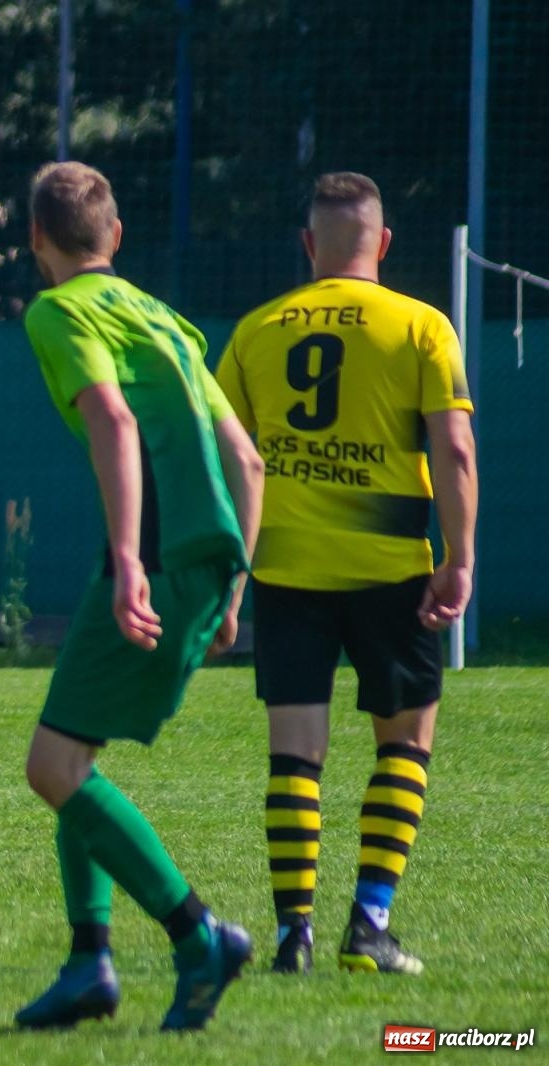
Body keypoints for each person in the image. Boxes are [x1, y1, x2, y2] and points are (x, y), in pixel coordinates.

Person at [14, 162, 265, 1033]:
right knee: (73, 753)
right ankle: (90, 962)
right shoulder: (163, 316)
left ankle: (198, 937)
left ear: (36, 239)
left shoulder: (57, 310)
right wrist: (234, 583)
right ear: (115, 237)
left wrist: (129, 562)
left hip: (153, 555)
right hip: (206, 554)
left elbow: (115, 423)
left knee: (53, 769)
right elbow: (248, 461)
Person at [215, 172, 476, 975]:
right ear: (383, 243)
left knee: (295, 756)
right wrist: (460, 559)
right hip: (391, 567)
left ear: (307, 246)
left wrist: (228, 577)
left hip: (287, 567)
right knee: (406, 743)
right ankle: (368, 926)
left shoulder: (257, 331)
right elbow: (454, 450)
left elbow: (227, 461)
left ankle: (292, 933)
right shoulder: (422, 326)